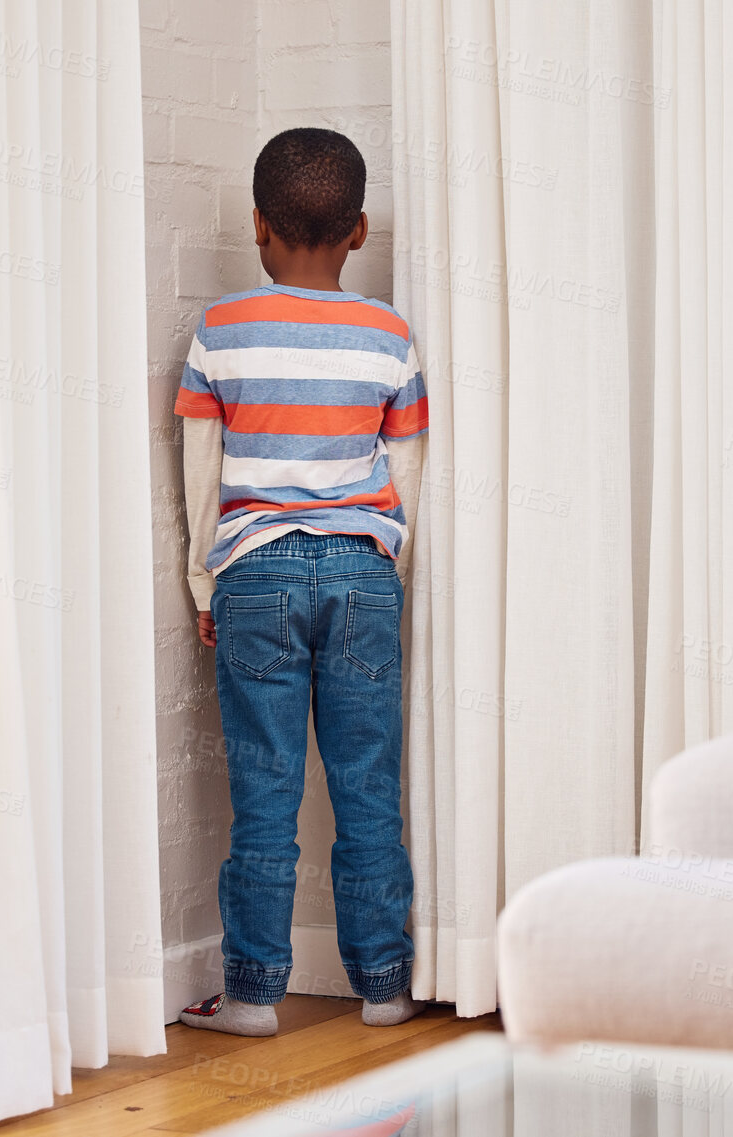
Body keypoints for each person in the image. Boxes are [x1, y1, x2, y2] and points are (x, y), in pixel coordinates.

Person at [172, 127, 428, 1037]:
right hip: (362, 572)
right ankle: (386, 986)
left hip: (256, 573)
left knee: (265, 789)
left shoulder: (221, 329)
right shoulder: (390, 334)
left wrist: (209, 587)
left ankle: (250, 994)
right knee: (367, 786)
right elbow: (407, 464)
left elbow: (202, 472)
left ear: (257, 226)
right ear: (359, 231)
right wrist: (381, 560)